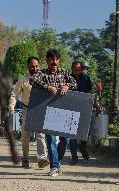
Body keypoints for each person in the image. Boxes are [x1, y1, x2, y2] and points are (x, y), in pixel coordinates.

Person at [29, 49, 77, 177]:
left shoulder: (64, 72)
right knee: (50, 139)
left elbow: (74, 83)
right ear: (47, 61)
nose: (54, 62)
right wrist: (47, 87)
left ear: (58, 60)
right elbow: (32, 80)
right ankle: (54, 167)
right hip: (48, 111)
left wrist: (67, 85)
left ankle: (57, 161)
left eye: (56, 59)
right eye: (51, 59)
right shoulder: (42, 73)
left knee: (65, 139)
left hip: (63, 111)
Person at [9, 56, 49, 168]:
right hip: (27, 109)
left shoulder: (44, 78)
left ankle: (42, 159)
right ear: (28, 67)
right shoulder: (23, 80)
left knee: (41, 134)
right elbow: (14, 94)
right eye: (32, 66)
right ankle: (25, 158)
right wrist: (11, 106)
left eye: (37, 66)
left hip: (40, 109)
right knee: (25, 136)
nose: (35, 68)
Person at [69, 60, 91, 165]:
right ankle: (74, 157)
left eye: (79, 70)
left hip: (83, 108)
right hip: (71, 109)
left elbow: (90, 93)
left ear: (81, 69)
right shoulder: (67, 78)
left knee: (84, 133)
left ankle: (83, 146)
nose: (77, 72)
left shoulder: (86, 79)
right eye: (75, 70)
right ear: (72, 69)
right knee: (72, 134)